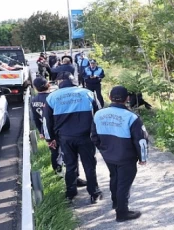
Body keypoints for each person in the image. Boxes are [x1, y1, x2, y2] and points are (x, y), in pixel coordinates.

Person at [91, 85, 149, 222]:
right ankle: (122, 213)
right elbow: (141, 140)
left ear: (109, 97)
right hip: (126, 157)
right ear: (127, 99)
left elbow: (93, 137)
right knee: (124, 184)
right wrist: (143, 158)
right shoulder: (132, 117)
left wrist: (104, 149)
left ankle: (116, 203)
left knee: (115, 178)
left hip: (109, 156)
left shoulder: (98, 114)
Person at [43, 72, 102, 202]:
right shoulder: (88, 93)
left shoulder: (52, 97)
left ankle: (70, 193)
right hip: (86, 137)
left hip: (65, 138)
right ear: (73, 80)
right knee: (89, 165)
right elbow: (99, 114)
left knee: (70, 165)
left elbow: (46, 121)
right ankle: (94, 193)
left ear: (59, 82)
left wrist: (49, 139)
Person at [31, 77, 87, 186]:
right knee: (69, 155)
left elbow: (35, 118)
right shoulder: (53, 97)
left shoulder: (34, 100)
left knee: (55, 153)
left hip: (46, 130)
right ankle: (74, 178)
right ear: (47, 85)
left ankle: (59, 175)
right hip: (59, 130)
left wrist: (41, 132)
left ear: (35, 88)